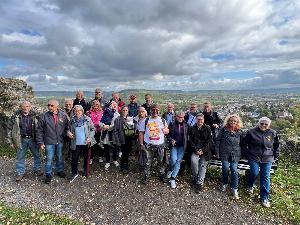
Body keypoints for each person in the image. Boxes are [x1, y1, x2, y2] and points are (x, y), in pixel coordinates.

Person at [244, 117, 280, 208]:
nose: (263, 125)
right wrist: (247, 154)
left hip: (267, 157)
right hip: (253, 156)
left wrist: (275, 156)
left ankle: (264, 198)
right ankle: (250, 185)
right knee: (254, 172)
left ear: (269, 125)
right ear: (258, 123)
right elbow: (244, 144)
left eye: (266, 124)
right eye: (261, 123)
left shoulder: (273, 133)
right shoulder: (251, 132)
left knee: (265, 176)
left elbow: (276, 146)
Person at [6, 101, 43, 182]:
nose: (25, 108)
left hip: (33, 139)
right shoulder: (15, 116)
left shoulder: (36, 116)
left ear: (30, 107)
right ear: (21, 107)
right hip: (21, 139)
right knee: (20, 157)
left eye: (27, 106)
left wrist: (41, 140)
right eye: (23, 106)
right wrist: (10, 141)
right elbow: (9, 128)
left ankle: (37, 169)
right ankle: (20, 172)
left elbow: (41, 128)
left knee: (37, 155)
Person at [36, 99, 69, 184]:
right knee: (49, 159)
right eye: (48, 105)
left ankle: (59, 171)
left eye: (51, 105)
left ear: (57, 106)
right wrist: (41, 142)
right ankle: (48, 174)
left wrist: (67, 133)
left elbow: (66, 127)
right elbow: (39, 130)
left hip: (60, 141)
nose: (49, 107)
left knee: (59, 157)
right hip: (49, 142)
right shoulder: (44, 116)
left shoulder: (63, 115)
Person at [139, 104, 169, 184]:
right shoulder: (145, 120)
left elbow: (167, 130)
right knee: (147, 162)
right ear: (150, 111)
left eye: (156, 110)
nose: (155, 111)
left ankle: (161, 174)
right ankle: (146, 175)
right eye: (153, 110)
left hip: (160, 145)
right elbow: (141, 133)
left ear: (159, 111)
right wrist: (141, 144)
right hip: (148, 145)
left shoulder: (163, 120)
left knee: (161, 161)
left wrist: (166, 131)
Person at [215, 114, 244, 199]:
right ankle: (224, 183)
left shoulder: (240, 132)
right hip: (224, 153)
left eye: (235, 121)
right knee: (225, 167)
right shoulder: (223, 130)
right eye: (231, 121)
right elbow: (218, 140)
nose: (233, 122)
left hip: (235, 154)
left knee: (234, 170)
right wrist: (217, 152)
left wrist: (243, 154)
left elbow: (243, 144)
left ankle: (234, 188)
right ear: (228, 121)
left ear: (237, 122)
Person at [68, 105, 96, 182]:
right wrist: (68, 133)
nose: (77, 112)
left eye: (79, 110)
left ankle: (85, 171)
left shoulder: (87, 119)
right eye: (76, 111)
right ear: (74, 112)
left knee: (87, 158)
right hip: (76, 143)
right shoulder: (72, 120)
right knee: (74, 158)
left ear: (82, 111)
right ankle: (74, 173)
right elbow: (67, 129)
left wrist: (90, 137)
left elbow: (93, 129)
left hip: (86, 143)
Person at [190, 113, 212, 193]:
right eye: (198, 120)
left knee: (203, 164)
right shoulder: (192, 128)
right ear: (196, 120)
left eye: (201, 120)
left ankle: (199, 184)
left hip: (205, 151)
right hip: (195, 149)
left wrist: (203, 150)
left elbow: (209, 141)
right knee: (193, 161)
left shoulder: (207, 128)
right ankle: (197, 178)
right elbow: (191, 141)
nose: (200, 121)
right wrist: (196, 150)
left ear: (203, 120)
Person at [166, 111, 188, 189]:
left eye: (182, 117)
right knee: (173, 160)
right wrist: (171, 139)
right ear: (176, 116)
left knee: (178, 161)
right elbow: (167, 134)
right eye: (179, 117)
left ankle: (173, 178)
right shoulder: (172, 124)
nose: (180, 118)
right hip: (174, 146)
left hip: (182, 146)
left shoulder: (186, 125)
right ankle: (170, 170)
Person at [113, 106, 135, 173]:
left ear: (128, 111)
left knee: (127, 153)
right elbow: (115, 131)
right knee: (124, 153)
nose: (125, 112)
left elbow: (133, 127)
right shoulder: (117, 119)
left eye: (126, 110)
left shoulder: (130, 119)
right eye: (123, 110)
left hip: (129, 138)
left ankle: (126, 164)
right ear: (121, 111)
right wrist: (117, 141)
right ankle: (123, 166)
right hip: (122, 139)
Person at [100, 101, 120, 171]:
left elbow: (116, 124)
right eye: (112, 104)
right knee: (107, 148)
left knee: (115, 148)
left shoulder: (117, 114)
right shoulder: (105, 112)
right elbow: (100, 121)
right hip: (106, 133)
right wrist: (103, 125)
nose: (114, 106)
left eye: (115, 104)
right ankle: (107, 161)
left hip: (114, 133)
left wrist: (109, 127)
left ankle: (114, 160)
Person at [86, 100, 103, 165]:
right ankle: (91, 158)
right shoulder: (89, 113)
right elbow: (89, 122)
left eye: (97, 105)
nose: (95, 106)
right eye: (94, 105)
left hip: (100, 131)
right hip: (92, 131)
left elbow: (103, 120)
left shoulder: (102, 112)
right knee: (92, 145)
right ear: (92, 105)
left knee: (100, 144)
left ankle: (100, 157)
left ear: (99, 105)